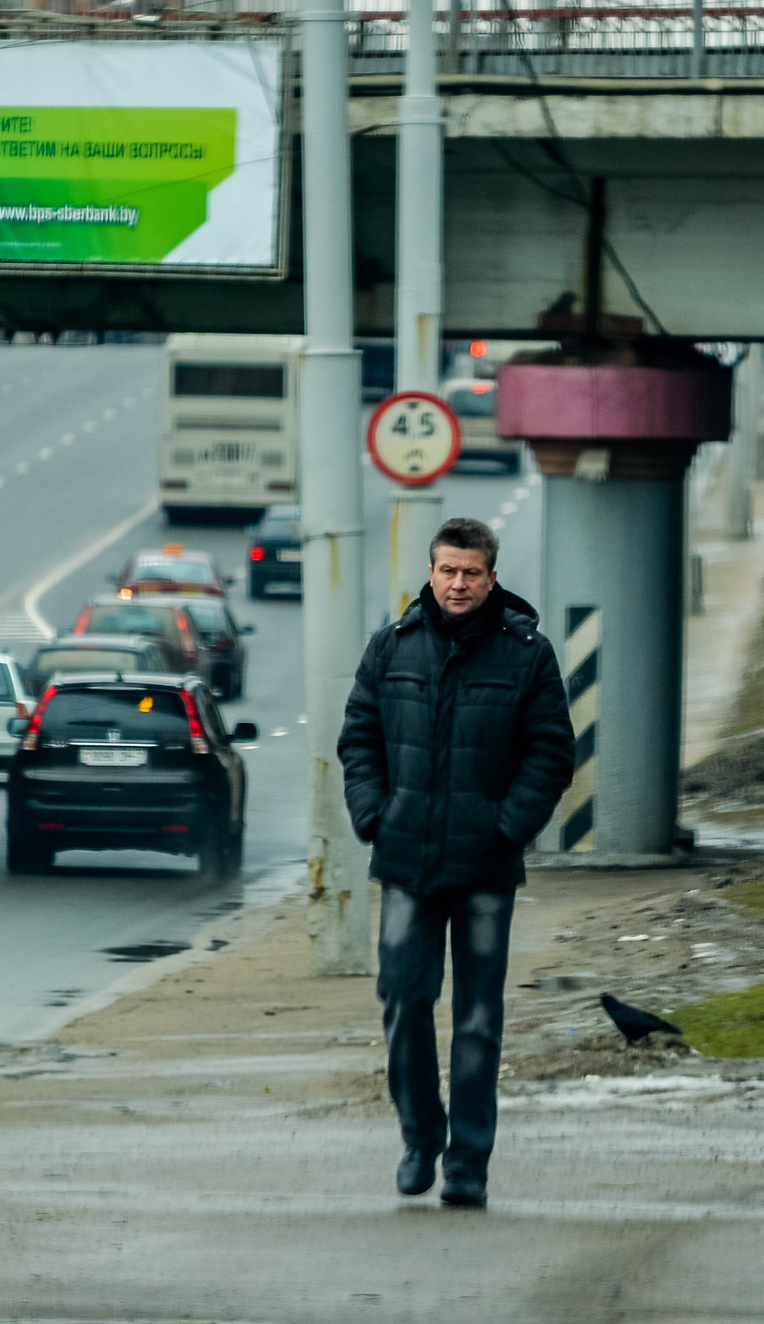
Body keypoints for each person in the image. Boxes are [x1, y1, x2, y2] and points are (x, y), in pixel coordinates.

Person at [336, 517, 574, 1209]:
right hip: (407, 858)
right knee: (404, 1001)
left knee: (476, 1020)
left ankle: (469, 1161)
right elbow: (359, 738)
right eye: (447, 570)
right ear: (431, 572)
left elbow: (551, 753)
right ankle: (420, 1136)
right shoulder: (392, 647)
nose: (458, 583)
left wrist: (508, 827)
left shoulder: (527, 654)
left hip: (487, 866)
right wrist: (374, 812)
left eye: (471, 572)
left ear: (492, 576)